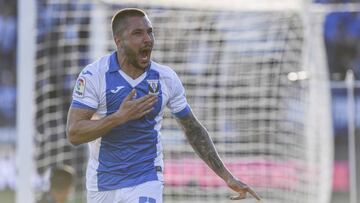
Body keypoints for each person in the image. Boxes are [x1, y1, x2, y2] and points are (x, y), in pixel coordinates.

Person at [66, 8, 261, 203]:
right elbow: (74, 133)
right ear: (119, 41)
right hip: (103, 183)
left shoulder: (165, 78)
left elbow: (193, 129)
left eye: (150, 31)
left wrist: (227, 176)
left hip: (146, 178)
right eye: (137, 33)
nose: (148, 39)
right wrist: (119, 117)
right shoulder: (94, 75)